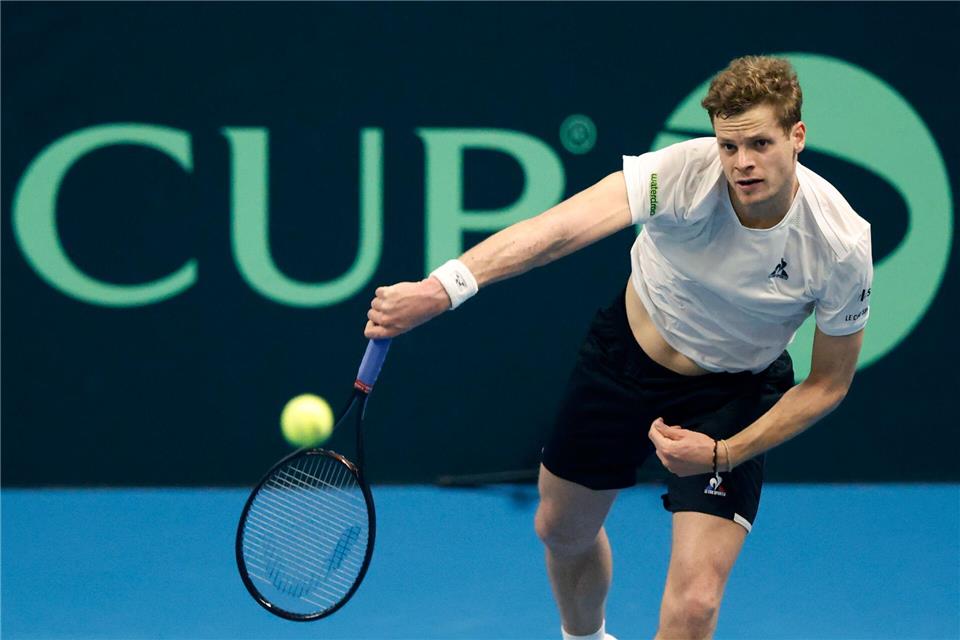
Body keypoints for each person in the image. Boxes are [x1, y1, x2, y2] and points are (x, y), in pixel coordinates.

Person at [364, 55, 872, 640]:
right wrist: (442, 288)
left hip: (733, 393)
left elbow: (828, 383)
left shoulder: (839, 243)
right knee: (560, 530)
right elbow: (557, 229)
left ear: (797, 136)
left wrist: (725, 453)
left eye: (759, 143)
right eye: (728, 147)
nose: (742, 163)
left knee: (697, 601)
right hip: (622, 363)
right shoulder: (681, 173)